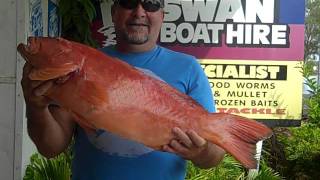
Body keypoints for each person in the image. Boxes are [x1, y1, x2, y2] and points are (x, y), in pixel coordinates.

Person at [21, 0, 225, 179]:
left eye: (151, 4)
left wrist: (201, 152)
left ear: (162, 15)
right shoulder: (81, 66)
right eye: (128, 2)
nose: (139, 12)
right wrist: (36, 107)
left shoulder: (188, 68)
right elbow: (50, 147)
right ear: (114, 12)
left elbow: (214, 156)